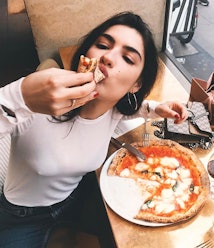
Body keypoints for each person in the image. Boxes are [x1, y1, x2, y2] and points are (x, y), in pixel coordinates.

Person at [0, 11, 187, 247]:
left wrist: (156, 109)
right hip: (22, 217)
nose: (108, 57)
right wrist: (19, 96)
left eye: (128, 59)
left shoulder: (114, 111)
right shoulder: (39, 104)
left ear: (135, 85)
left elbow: (132, 110)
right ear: (86, 55)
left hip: (76, 199)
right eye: (102, 45)